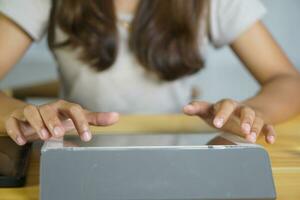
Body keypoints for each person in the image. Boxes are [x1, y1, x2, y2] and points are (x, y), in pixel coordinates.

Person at [1, 0, 300, 146]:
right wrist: (27, 114)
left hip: (174, 171)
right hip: (71, 165)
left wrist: (252, 113)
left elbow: (288, 81)